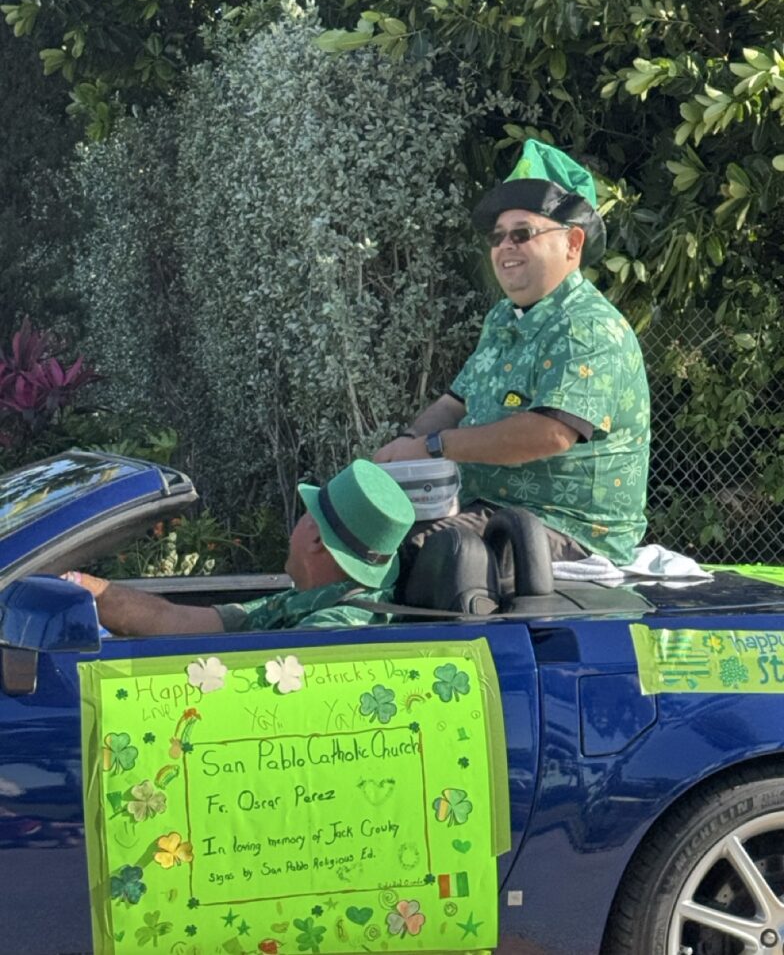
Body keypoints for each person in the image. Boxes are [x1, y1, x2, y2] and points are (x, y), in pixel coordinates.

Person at [374, 139, 650, 567]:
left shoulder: (588, 326)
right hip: (489, 512)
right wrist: (406, 445)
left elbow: (550, 434)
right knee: (368, 530)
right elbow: (453, 403)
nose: (505, 246)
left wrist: (432, 448)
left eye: (523, 233)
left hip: (564, 530)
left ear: (573, 244)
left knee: (419, 559)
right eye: (497, 236)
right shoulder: (504, 318)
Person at [65, 460, 415, 636]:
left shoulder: (333, 631)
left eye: (304, 513)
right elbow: (177, 620)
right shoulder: (306, 600)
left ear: (314, 537)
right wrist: (79, 585)